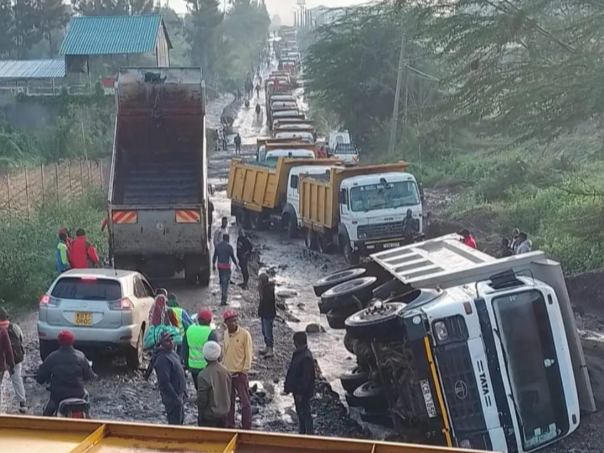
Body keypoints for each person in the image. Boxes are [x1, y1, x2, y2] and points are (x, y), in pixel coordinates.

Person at [36, 330, 96, 417]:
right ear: (72, 341)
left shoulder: (52, 357)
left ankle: (42, 428)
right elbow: (89, 376)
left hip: (58, 396)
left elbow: (40, 378)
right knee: (87, 402)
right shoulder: (81, 356)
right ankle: (88, 419)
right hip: (79, 394)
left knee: (46, 417)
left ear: (59, 341)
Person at [223, 310, 252, 430]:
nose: (234, 323)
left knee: (244, 402)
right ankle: (230, 424)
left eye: (235, 320)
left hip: (240, 373)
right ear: (226, 323)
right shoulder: (225, 334)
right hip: (228, 373)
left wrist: (244, 371)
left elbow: (249, 354)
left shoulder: (245, 334)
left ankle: (246, 425)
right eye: (231, 321)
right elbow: (225, 351)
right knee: (229, 402)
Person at [284, 332, 316, 435]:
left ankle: (309, 434)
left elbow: (305, 378)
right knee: (300, 411)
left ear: (297, 342)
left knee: (305, 412)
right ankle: (302, 432)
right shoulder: (302, 354)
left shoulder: (305, 357)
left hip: (302, 392)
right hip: (297, 390)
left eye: (294, 341)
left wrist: (300, 393)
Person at [153, 332, 187, 425]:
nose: (171, 342)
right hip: (172, 398)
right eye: (167, 341)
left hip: (179, 394)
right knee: (174, 425)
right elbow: (164, 383)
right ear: (161, 343)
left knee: (180, 421)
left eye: (172, 339)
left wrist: (184, 392)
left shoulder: (172, 353)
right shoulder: (162, 359)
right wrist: (176, 399)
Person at [197, 341, 232, 428]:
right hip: (224, 414)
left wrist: (200, 415)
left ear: (205, 357)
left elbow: (202, 400)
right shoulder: (226, 371)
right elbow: (229, 391)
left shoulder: (203, 375)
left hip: (209, 417)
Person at [183, 309, 218, 389]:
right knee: (208, 388)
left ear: (198, 320)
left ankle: (199, 400)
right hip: (207, 367)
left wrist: (187, 365)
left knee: (198, 388)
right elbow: (215, 353)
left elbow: (184, 350)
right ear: (209, 321)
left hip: (193, 366)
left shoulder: (189, 329)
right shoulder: (210, 333)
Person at [0, 307, 26, 413]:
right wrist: (11, 364)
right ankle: (22, 403)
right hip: (15, 358)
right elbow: (21, 339)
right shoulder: (14, 327)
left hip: (1, 361)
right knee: (17, 379)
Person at [213, 234, 239, 306]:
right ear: (228, 239)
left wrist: (213, 264)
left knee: (222, 281)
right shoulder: (229, 247)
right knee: (226, 283)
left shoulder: (218, 246)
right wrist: (236, 265)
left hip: (220, 266)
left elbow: (215, 256)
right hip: (226, 267)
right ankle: (224, 299)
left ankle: (223, 296)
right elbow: (233, 257)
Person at [258, 273, 276, 358]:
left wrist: (260, 292)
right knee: (264, 331)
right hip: (264, 313)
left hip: (268, 314)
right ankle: (267, 347)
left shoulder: (268, 289)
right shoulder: (265, 288)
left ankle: (270, 349)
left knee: (268, 332)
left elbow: (265, 301)